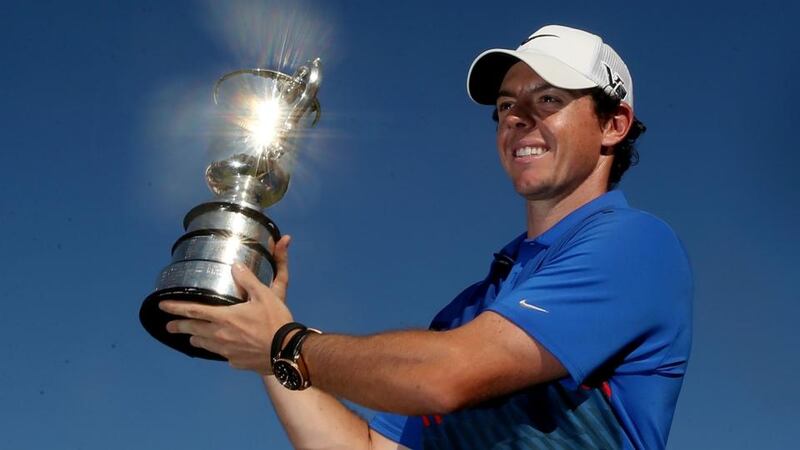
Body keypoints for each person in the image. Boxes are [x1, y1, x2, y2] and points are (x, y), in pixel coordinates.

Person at [159, 24, 693, 450]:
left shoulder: (637, 246)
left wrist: (288, 345)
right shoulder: (470, 311)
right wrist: (272, 344)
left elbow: (447, 375)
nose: (518, 119)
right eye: (506, 106)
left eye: (549, 100)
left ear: (613, 124)